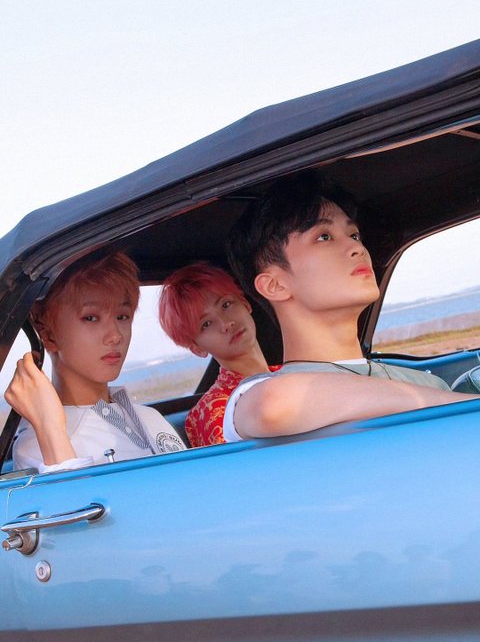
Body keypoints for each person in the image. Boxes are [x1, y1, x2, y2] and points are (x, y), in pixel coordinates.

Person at [222, 170, 477, 440]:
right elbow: (272, 406)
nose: (358, 249)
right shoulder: (254, 398)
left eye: (354, 235)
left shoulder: (429, 383)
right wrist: (462, 405)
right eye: (324, 237)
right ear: (275, 285)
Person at [5, 251, 185, 472]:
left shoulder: (150, 417)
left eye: (122, 316)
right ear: (47, 334)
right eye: (91, 318)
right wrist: (49, 429)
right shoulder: (36, 444)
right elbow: (72, 497)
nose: (115, 335)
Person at [159, 262, 280, 446]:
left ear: (245, 304)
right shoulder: (215, 409)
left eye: (226, 304)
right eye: (206, 324)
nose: (226, 323)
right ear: (197, 348)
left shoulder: (291, 373)